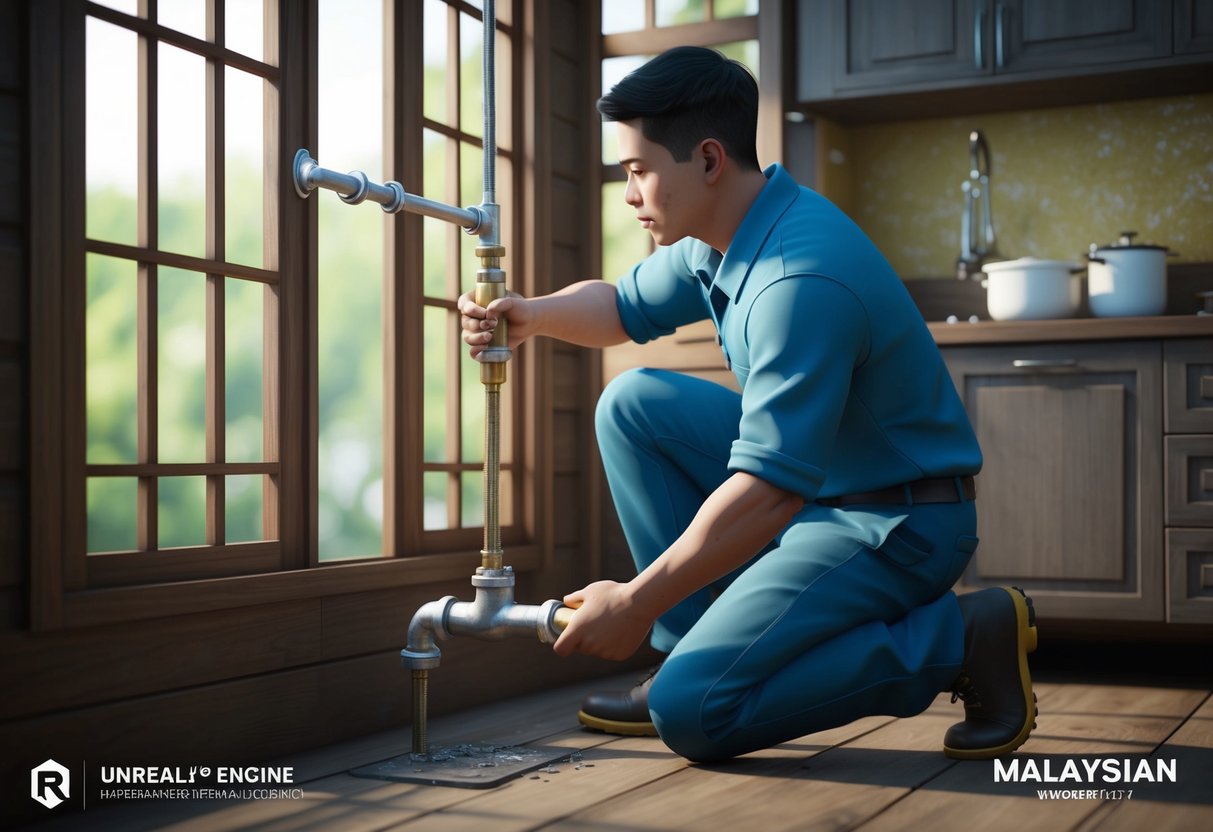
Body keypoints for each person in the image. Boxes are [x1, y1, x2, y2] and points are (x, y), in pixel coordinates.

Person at [458, 45, 1037, 763]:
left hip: (894, 519)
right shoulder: (724, 232)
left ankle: (960, 638)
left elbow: (767, 494)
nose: (630, 194)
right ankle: (688, 648)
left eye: (638, 172)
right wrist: (530, 315)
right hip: (826, 485)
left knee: (694, 712)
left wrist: (636, 602)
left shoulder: (798, 281)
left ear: (706, 160)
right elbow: (620, 306)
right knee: (633, 402)